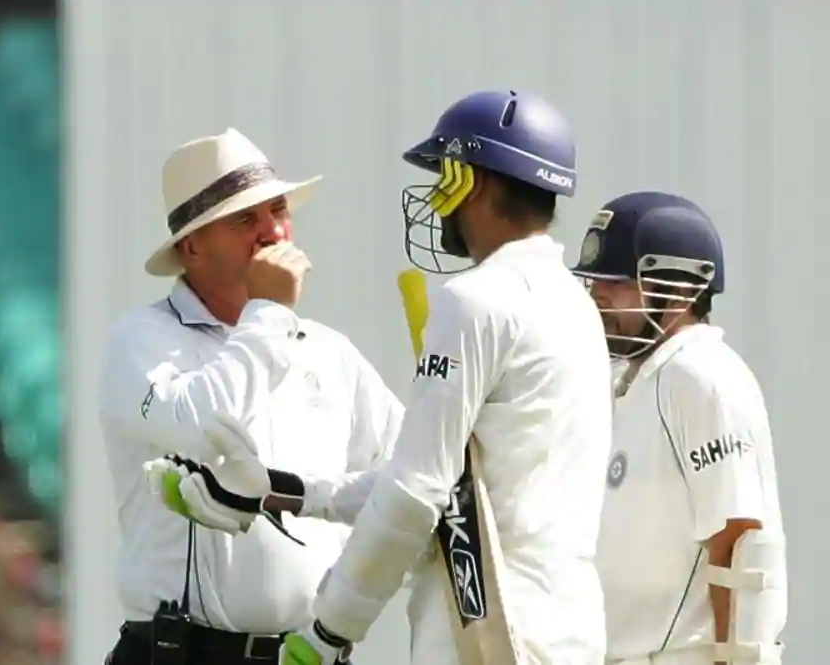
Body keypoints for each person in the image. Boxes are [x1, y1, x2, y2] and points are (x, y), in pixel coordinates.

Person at [150, 90, 613, 664]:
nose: (437, 198)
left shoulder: (476, 300)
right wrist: (285, 492)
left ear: (481, 183)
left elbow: (418, 494)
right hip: (567, 631)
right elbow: (452, 481)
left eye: (446, 174)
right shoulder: (575, 303)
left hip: (487, 634)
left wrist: (329, 630)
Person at [98, 127, 404, 665]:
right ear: (191, 246)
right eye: (245, 219)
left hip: (311, 653)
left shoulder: (331, 354)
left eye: (278, 210)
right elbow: (199, 426)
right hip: (179, 653)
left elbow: (406, 476)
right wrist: (270, 314)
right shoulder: (140, 340)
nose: (272, 231)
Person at [572, 191, 787, 665]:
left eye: (618, 281)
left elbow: (739, 541)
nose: (596, 295)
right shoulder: (629, 382)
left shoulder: (703, 376)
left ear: (684, 289)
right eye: (594, 280)